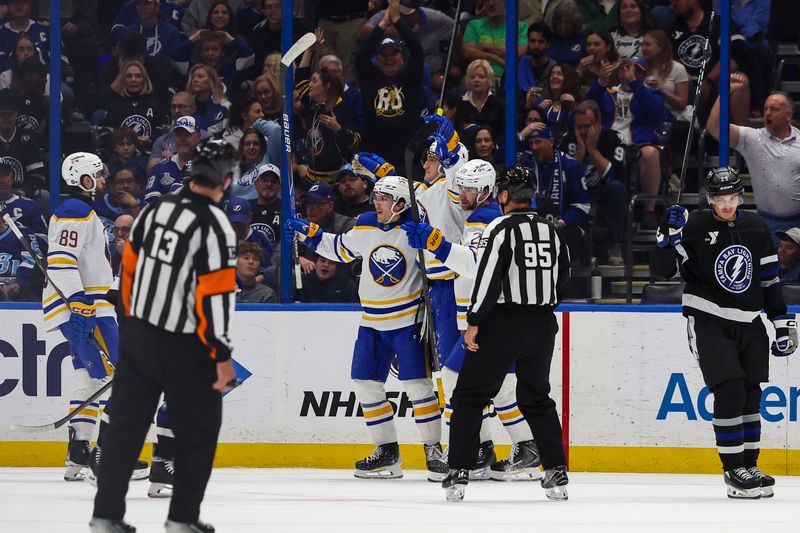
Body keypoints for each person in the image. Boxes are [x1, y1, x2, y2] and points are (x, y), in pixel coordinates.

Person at [91, 138, 239, 532]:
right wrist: (221, 356)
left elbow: (129, 271)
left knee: (125, 428)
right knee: (199, 433)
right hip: (186, 346)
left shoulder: (155, 211)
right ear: (226, 179)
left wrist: (133, 326)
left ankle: (105, 516)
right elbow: (216, 296)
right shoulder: (215, 225)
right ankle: (181, 519)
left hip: (139, 334)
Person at [286, 175, 448, 481]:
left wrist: (426, 238)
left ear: (401, 203)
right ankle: (387, 452)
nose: (377, 202)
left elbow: (440, 258)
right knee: (364, 383)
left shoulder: (416, 229)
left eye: (384, 198)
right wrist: (310, 234)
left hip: (407, 320)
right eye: (376, 197)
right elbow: (340, 249)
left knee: (417, 387)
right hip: (372, 321)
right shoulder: (365, 224)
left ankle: (433, 449)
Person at [651, 167, 796, 499]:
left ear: (739, 197)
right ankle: (733, 470)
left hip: (750, 323)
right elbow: (664, 271)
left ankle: (749, 463)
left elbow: (769, 281)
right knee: (729, 392)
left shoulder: (756, 227)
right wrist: (665, 238)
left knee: (750, 395)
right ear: (709, 199)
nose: (727, 204)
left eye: (732, 197)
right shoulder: (694, 226)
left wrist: (780, 320)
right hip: (709, 320)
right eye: (720, 198)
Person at [439, 161, 571, 502]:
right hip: (542, 323)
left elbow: (487, 278)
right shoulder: (552, 229)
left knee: (468, 396)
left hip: (502, 322)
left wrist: (474, 322)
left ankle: (458, 473)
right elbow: (564, 278)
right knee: (536, 397)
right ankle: (556, 471)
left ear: (504, 195)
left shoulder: (499, 227)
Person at [404, 162, 544, 482]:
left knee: (457, 380)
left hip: (490, 319)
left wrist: (433, 240)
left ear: (484, 191)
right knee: (501, 389)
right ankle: (517, 447)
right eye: (460, 186)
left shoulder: (482, 219)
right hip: (493, 316)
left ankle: (470, 452)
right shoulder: (481, 216)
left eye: (467, 189)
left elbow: (474, 266)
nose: (460, 194)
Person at [42, 153, 119, 482]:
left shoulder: (81, 211)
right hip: (87, 306)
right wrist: (79, 301)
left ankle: (78, 455)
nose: (103, 180)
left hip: (88, 303)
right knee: (127, 377)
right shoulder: (75, 210)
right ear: (84, 179)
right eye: (98, 175)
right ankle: (106, 457)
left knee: (92, 379)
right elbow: (61, 260)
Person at [707, 75, 800, 245]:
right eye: (765, 109)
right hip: (766, 223)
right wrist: (724, 94)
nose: (768, 113)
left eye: (774, 109)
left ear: (788, 115)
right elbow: (714, 128)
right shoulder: (753, 139)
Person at [355, 0, 425, 170]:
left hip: (408, 159)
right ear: (377, 59)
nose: (388, 59)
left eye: (393, 54)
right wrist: (384, 23)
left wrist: (396, 19)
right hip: (376, 159)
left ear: (402, 58)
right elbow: (361, 53)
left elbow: (417, 50)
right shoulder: (370, 78)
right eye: (383, 55)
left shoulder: (410, 77)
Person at [572, 100, 627, 265]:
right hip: (579, 193)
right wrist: (581, 153)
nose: (581, 131)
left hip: (605, 195)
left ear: (598, 123)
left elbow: (612, 175)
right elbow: (563, 176)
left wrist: (592, 150)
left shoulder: (614, 139)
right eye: (578, 126)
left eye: (586, 126)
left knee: (616, 188)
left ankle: (615, 244)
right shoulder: (570, 140)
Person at [526, 125, 590, 262]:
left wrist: (562, 222)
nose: (534, 147)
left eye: (538, 142)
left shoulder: (570, 166)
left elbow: (583, 206)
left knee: (562, 239)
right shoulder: (528, 164)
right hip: (533, 226)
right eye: (531, 143)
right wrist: (521, 135)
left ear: (550, 141)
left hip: (565, 227)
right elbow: (500, 156)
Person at [102, 60, 170, 151]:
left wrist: (150, 139)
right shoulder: (115, 105)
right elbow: (107, 134)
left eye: (138, 76)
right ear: (124, 80)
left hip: (150, 155)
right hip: (120, 157)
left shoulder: (156, 105)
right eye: (129, 76)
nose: (133, 80)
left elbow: (164, 135)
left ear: (144, 79)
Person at [462, 0, 527, 79]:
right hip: (477, 79)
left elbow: (519, 53)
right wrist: (496, 58)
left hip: (506, 80)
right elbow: (466, 52)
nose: (491, 3)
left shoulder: (520, 27)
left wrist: (486, 46)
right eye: (487, 0)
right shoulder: (474, 25)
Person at [145, 115, 202, 204]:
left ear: (198, 137)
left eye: (187, 135)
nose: (182, 139)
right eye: (179, 135)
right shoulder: (160, 167)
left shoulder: (208, 166)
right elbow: (151, 202)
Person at [453, 59, 504, 145]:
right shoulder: (460, 106)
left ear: (489, 80)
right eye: (472, 77)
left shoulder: (500, 105)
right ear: (467, 80)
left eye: (481, 77)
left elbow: (503, 135)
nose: (476, 80)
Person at [0, 159, 46, 234]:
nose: (1, 180)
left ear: (13, 177)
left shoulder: (30, 206)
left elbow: (44, 239)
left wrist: (24, 233)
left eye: (5, 175)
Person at [518, 22, 557, 94]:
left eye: (541, 42)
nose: (536, 46)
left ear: (548, 44)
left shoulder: (555, 69)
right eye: (532, 41)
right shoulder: (523, 63)